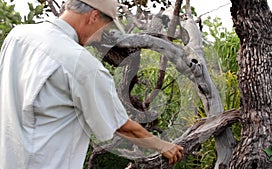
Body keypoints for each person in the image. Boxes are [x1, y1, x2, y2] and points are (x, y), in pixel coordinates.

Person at [0, 0, 184, 168]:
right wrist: (163, 146)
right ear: (94, 16)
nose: (98, 39)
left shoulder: (18, 36)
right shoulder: (81, 63)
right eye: (103, 31)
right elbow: (120, 125)